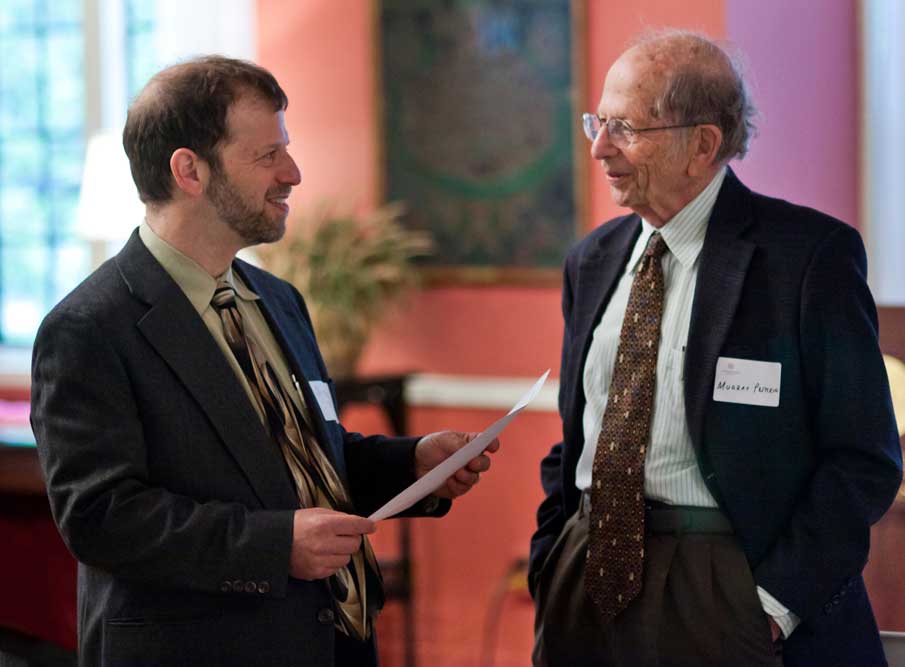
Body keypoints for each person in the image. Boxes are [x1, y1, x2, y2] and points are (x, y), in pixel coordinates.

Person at [30, 55, 498, 667]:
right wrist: (273, 547)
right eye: (267, 155)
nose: (292, 173)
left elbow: (299, 460)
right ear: (189, 171)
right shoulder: (87, 327)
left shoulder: (277, 300)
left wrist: (412, 464)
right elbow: (100, 517)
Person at [530, 30, 902, 667]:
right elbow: (578, 434)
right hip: (585, 581)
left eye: (625, 128)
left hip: (724, 587)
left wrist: (772, 607)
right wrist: (550, 558)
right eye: (598, 121)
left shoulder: (807, 259)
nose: (599, 147)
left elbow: (864, 459)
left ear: (702, 145)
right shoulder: (591, 260)